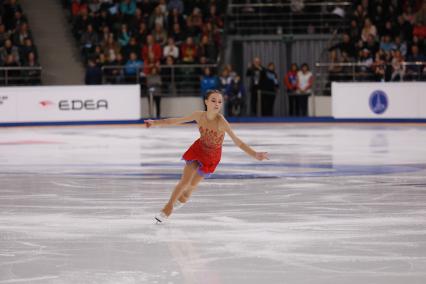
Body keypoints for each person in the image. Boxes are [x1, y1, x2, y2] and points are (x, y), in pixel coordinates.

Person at [144, 90, 269, 223]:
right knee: (184, 182)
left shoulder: (222, 122)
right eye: (213, 100)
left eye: (220, 102)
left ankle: (183, 199)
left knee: (190, 187)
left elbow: (237, 141)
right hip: (198, 149)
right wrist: (155, 123)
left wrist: (255, 154)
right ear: (206, 102)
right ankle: (167, 208)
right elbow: (176, 121)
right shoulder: (199, 115)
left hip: (212, 157)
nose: (217, 104)